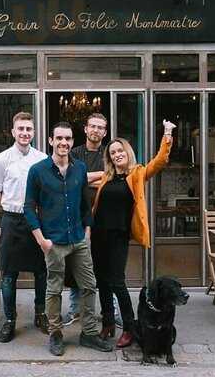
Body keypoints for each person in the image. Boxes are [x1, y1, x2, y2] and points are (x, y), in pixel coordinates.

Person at [24, 121, 113, 356]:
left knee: (89, 286)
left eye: (68, 139)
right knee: (53, 290)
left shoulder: (80, 168)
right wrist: (41, 240)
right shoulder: (38, 170)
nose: (64, 143)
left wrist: (87, 231)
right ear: (51, 141)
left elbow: (85, 204)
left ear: (72, 142)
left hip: (79, 239)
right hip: (53, 241)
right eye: (59, 138)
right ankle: (55, 334)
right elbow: (28, 207)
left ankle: (89, 333)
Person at [91, 120, 175, 348]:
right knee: (102, 283)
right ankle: (108, 323)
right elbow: (82, 182)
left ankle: (128, 327)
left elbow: (159, 162)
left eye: (120, 151)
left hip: (119, 236)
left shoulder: (137, 174)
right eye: (112, 152)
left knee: (117, 281)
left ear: (127, 152)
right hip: (98, 236)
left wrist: (167, 134)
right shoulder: (106, 178)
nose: (117, 154)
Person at [0, 111, 48, 343]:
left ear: (33, 132)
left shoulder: (43, 159)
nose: (24, 133)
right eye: (20, 129)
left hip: (36, 221)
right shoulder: (1, 159)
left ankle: (40, 314)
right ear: (13, 132)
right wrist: (16, 203)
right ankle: (10, 321)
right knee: (8, 274)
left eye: (28, 129)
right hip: (12, 220)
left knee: (41, 271)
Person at [65, 113, 122, 328]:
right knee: (74, 265)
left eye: (100, 127)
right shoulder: (74, 152)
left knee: (107, 266)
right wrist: (97, 177)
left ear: (105, 132)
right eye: (92, 126)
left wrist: (86, 178)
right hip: (77, 218)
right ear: (85, 129)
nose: (96, 130)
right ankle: (75, 311)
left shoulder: (110, 152)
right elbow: (71, 178)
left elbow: (113, 178)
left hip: (104, 217)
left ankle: (112, 311)